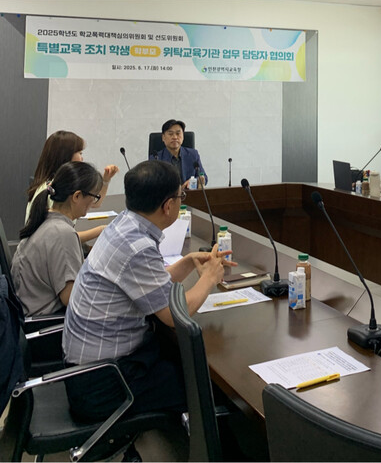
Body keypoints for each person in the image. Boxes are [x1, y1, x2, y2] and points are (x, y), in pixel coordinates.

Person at [62, 160, 232, 422]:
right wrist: (209, 279)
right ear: (168, 206)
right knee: (208, 387)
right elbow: (174, 316)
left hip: (88, 370)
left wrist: (188, 262)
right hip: (103, 383)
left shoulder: (124, 224)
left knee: (179, 361)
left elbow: (148, 286)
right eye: (180, 196)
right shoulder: (137, 246)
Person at [12, 162, 103, 317]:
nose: (93, 203)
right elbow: (71, 299)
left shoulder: (46, 218)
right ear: (77, 196)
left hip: (28, 309)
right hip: (47, 321)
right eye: (94, 197)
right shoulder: (63, 233)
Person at [26, 130, 119, 242]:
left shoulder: (59, 184)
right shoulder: (53, 191)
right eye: (80, 153)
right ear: (65, 156)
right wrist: (102, 229)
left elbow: (95, 203)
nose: (82, 158)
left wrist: (106, 180)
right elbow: (62, 237)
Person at [151, 119, 208, 188]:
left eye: (178, 134)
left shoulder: (193, 154)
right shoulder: (156, 158)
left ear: (183, 136)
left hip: (189, 193)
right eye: (170, 134)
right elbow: (152, 183)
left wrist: (193, 181)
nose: (175, 137)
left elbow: (204, 178)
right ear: (163, 137)